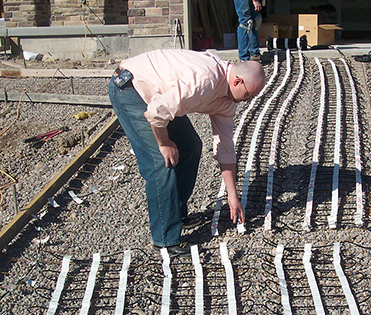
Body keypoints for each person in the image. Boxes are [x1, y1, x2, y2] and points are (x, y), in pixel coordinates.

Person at [108, 49, 266, 256]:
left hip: (161, 95)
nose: (248, 101)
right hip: (131, 88)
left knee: (190, 147)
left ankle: (175, 214)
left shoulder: (227, 100)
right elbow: (156, 113)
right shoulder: (204, 81)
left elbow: (225, 147)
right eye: (249, 95)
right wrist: (164, 143)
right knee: (160, 162)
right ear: (237, 82)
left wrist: (233, 196)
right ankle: (165, 240)